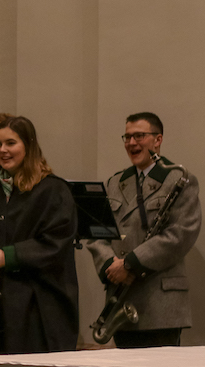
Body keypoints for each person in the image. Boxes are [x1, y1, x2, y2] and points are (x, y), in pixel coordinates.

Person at [0, 116, 79, 355]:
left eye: (11, 143)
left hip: (36, 309)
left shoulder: (53, 190)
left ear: (29, 145)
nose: (3, 150)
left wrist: (8, 257)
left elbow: (56, 242)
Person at [86, 112, 201, 348]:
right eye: (127, 137)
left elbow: (180, 235)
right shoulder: (114, 183)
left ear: (157, 140)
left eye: (139, 136)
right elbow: (97, 233)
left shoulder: (179, 179)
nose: (131, 143)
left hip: (160, 304)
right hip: (120, 299)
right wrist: (110, 266)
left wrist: (129, 263)